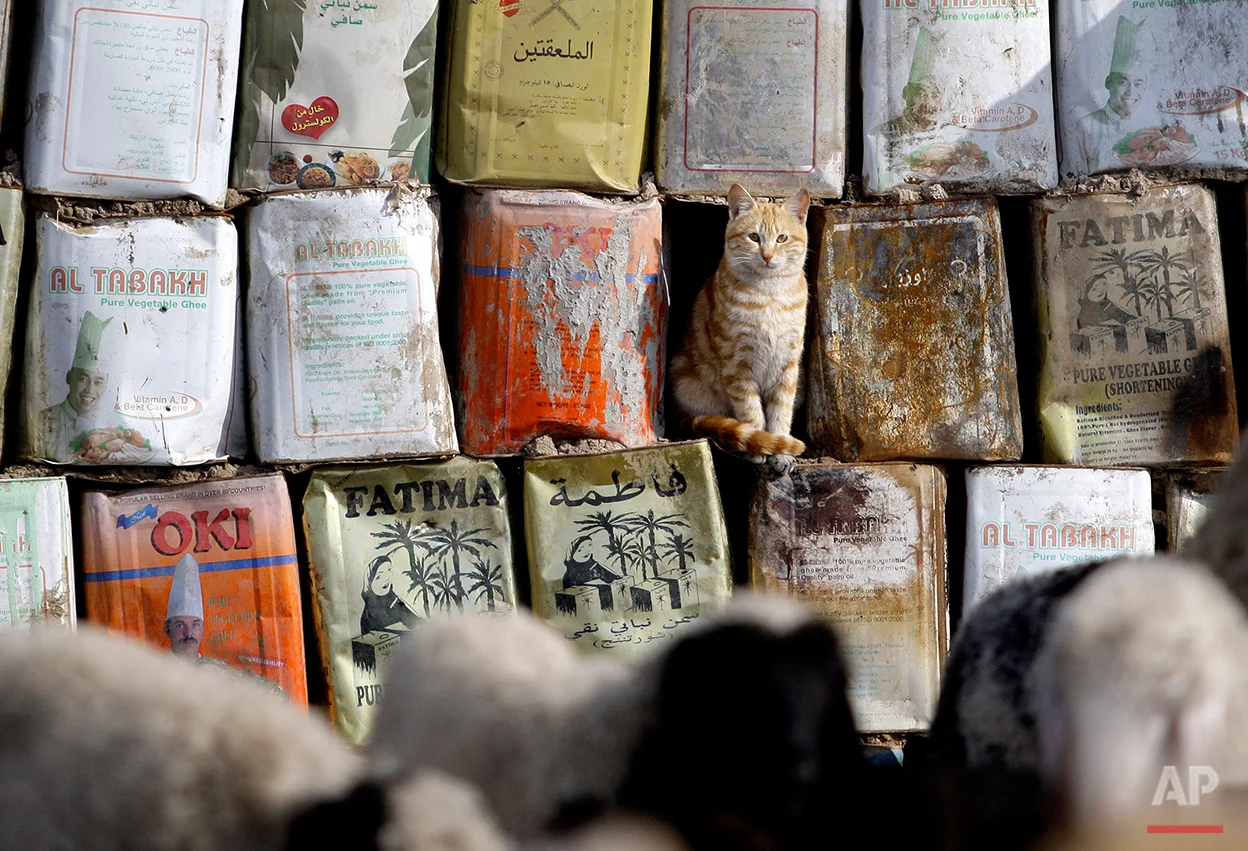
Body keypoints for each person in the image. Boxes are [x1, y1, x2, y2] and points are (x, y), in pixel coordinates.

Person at [35, 310, 152, 464]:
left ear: (106, 385)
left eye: (98, 381)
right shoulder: (43, 420)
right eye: (83, 378)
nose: (89, 390)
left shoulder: (116, 425)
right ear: (69, 377)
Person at [1070, 16, 1147, 175]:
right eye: (1123, 82)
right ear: (1108, 83)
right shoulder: (1085, 127)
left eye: (1138, 84)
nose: (1131, 92)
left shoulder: (1152, 127)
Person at [872, 27, 942, 139]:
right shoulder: (884, 134)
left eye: (935, 95)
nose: (928, 102)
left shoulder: (948, 132)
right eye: (921, 94)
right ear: (906, 92)